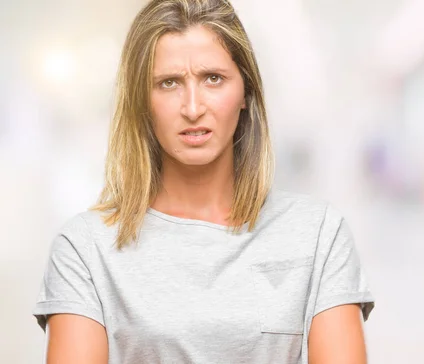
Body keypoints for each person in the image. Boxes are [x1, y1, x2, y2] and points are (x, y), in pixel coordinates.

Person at [32, 0, 375, 363]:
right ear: (140, 102)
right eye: (168, 83)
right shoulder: (85, 249)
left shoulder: (318, 234)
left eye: (213, 78)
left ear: (246, 92)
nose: (193, 107)